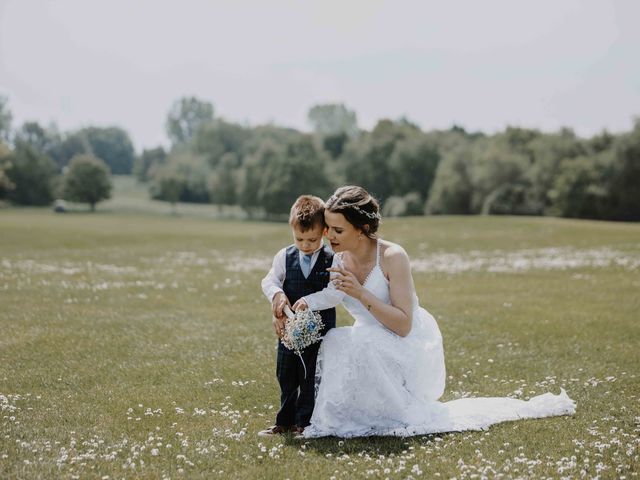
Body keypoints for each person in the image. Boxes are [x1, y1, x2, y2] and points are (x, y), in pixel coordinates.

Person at [293, 185, 575, 438]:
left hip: (407, 343)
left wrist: (360, 292)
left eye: (337, 230)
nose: (328, 235)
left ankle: (392, 413)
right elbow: (298, 279)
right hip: (368, 339)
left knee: (361, 342)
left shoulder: (392, 257)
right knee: (337, 341)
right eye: (328, 228)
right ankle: (346, 417)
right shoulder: (336, 258)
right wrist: (285, 307)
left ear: (363, 228)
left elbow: (403, 325)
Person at [258, 195, 336, 436]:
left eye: (312, 239)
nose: (305, 245)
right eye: (299, 238)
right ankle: (284, 421)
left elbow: (335, 294)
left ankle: (305, 423)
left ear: (324, 231)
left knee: (310, 375)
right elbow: (269, 280)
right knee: (286, 372)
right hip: (289, 331)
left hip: (319, 331)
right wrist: (277, 295)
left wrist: (309, 302)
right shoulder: (284, 255)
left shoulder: (333, 259)